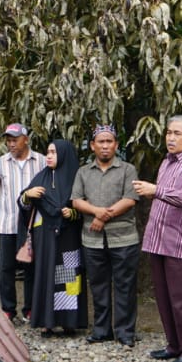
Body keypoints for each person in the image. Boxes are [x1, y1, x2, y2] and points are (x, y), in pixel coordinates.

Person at [134, 116, 182, 362]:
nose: (170, 138)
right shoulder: (167, 162)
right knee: (165, 298)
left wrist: (156, 190)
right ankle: (174, 345)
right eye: (168, 132)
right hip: (159, 240)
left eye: (177, 133)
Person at [71, 125, 140, 346]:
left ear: (116, 145)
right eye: (100, 142)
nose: (105, 146)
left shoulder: (127, 169)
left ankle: (125, 332)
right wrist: (96, 212)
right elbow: (76, 200)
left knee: (125, 286)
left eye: (109, 141)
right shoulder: (83, 172)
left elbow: (130, 199)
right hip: (92, 240)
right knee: (98, 286)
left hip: (124, 239)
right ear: (92, 146)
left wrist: (103, 217)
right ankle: (101, 330)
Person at [19, 139, 87, 335]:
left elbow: (85, 207)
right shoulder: (41, 177)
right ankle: (46, 321)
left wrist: (73, 214)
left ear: (64, 155)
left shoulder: (77, 178)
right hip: (45, 237)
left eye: (53, 153)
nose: (48, 156)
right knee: (46, 275)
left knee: (68, 277)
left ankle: (69, 320)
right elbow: (23, 204)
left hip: (68, 236)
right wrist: (27, 195)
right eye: (48, 152)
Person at [0, 123, 45, 320]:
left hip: (32, 225)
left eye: (15, 140)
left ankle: (30, 308)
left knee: (31, 267)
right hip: (8, 224)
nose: (11, 144)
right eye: (8, 140)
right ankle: (8, 309)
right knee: (6, 268)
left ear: (26, 139)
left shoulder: (41, 161)